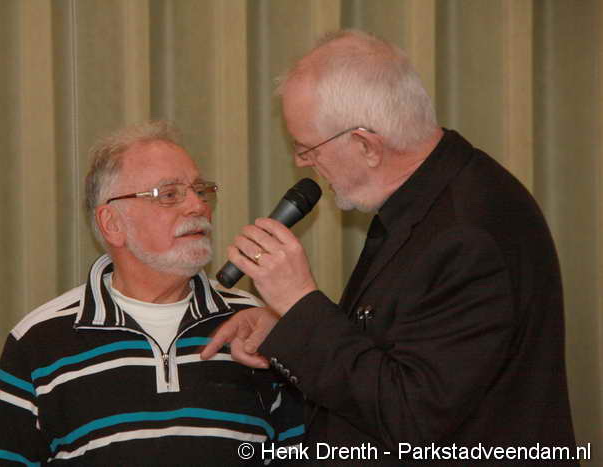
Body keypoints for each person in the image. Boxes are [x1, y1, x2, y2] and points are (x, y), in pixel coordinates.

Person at [202, 30, 578, 465]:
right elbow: (391, 347)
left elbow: (412, 415)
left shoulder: (469, 233)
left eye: (307, 149)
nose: (303, 164)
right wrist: (287, 326)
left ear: (367, 145)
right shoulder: (430, 199)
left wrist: (300, 303)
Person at [0, 121, 303, 466]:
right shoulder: (38, 341)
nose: (197, 206)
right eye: (169, 194)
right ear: (112, 223)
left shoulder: (256, 324)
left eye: (200, 190)